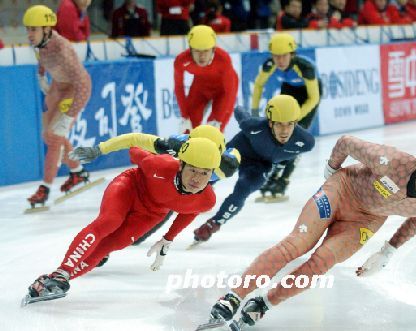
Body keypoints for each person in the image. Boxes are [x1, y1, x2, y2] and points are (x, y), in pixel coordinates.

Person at [201, 134, 416, 328]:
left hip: (366, 220)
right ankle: (234, 296)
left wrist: (387, 252)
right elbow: (347, 142)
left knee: (321, 263)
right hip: (341, 191)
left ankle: (264, 304)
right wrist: (332, 168)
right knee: (296, 245)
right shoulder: (391, 162)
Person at [23, 138, 221, 305]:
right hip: (130, 187)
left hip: (151, 213)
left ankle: (54, 281)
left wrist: (168, 238)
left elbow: (189, 211)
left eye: (205, 173)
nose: (197, 178)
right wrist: (158, 146)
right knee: (110, 221)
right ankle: (62, 272)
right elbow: (134, 149)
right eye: (193, 170)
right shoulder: (161, 165)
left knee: (110, 245)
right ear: (181, 165)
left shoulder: (207, 200)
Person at [69, 124, 241, 254]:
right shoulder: (175, 146)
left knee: (133, 238)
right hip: (163, 185)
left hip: (180, 199)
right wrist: (100, 149)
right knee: (119, 221)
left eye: (206, 165)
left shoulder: (227, 163)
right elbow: (135, 140)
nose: (202, 159)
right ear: (187, 146)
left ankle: (105, 246)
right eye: (194, 161)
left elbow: (239, 161)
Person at [192, 95, 315, 244]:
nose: (285, 131)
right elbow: (239, 111)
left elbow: (291, 155)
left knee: (243, 189)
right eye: (279, 125)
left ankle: (213, 225)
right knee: (215, 173)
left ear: (296, 123)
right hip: (240, 149)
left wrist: (281, 169)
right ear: (270, 123)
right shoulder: (253, 126)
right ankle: (195, 191)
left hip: (261, 165)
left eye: (290, 124)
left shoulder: (306, 142)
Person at [23, 5, 92, 209]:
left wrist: (70, 115)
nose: (29, 34)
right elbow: (42, 57)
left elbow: (81, 83)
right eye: (28, 29)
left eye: (33, 29)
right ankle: (77, 172)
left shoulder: (62, 48)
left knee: (55, 136)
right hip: (58, 87)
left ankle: (45, 188)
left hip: (75, 89)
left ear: (46, 29)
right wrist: (41, 74)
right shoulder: (40, 43)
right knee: (49, 135)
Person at [251, 32, 321, 198]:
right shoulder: (270, 64)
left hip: (308, 97)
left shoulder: (305, 68)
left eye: (284, 56)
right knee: (278, 137)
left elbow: (314, 98)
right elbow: (258, 85)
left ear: (292, 54)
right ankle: (274, 174)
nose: (280, 61)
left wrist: (296, 119)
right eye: (276, 57)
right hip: (288, 91)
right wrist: (254, 110)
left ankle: (284, 179)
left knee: (293, 139)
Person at [174, 25, 238, 133]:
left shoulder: (223, 59)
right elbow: (178, 88)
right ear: (190, 50)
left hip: (223, 90)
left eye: (206, 51)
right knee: (188, 129)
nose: (202, 56)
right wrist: (185, 116)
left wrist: (218, 119)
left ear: (213, 49)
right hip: (200, 87)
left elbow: (228, 92)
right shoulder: (181, 60)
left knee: (213, 130)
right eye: (197, 51)